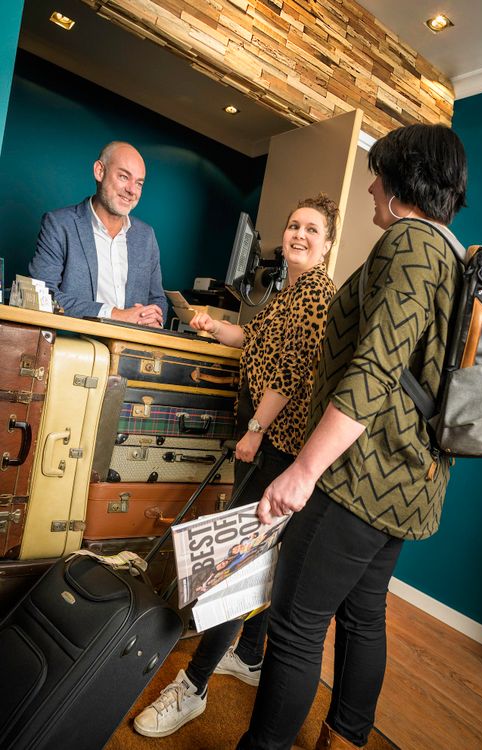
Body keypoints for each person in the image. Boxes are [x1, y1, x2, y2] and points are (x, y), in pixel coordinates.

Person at [235, 123, 468, 750]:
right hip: (410, 480)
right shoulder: (451, 254)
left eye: (378, 175)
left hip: (357, 478)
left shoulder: (409, 242)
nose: (370, 187)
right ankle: (344, 740)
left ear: (401, 182)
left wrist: (304, 469)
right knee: (364, 616)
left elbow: (374, 368)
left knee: (295, 624)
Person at [133, 193, 339, 738]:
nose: (298, 235)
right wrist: (210, 326)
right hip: (270, 441)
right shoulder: (287, 292)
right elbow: (252, 339)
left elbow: (292, 371)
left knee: (237, 564)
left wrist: (256, 428)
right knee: (263, 557)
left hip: (281, 447)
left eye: (311, 230)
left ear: (327, 244)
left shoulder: (318, 295)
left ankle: (194, 686)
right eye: (293, 226)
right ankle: (249, 655)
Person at [28, 141, 166, 326]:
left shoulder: (146, 236)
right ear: (99, 171)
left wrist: (154, 318)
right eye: (124, 177)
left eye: (139, 183)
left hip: (131, 343)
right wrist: (115, 314)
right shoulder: (59, 224)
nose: (132, 190)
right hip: (73, 341)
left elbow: (157, 299)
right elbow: (42, 294)